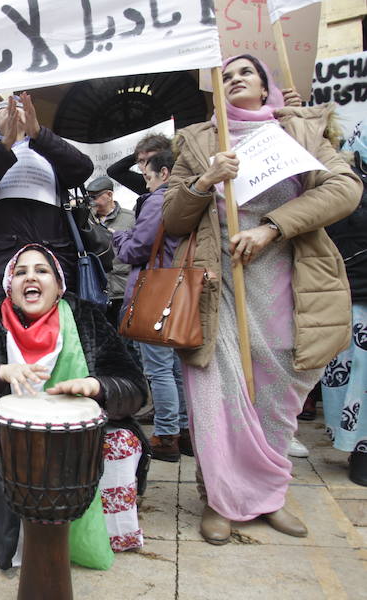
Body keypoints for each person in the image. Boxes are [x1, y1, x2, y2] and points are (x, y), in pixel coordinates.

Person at [163, 54, 362, 545]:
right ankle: (221, 500)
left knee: (277, 395)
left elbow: (345, 188)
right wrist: (204, 181)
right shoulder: (196, 141)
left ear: (265, 84)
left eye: (244, 73)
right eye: (225, 76)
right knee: (216, 396)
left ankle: (269, 496)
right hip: (218, 288)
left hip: (287, 281)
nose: (234, 80)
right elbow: (170, 217)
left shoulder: (299, 129)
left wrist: (274, 227)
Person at [0, 244, 149, 567]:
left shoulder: (85, 316)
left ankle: (106, 531)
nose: (30, 278)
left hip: (79, 437)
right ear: (9, 286)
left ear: (59, 286)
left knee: (124, 442)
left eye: (41, 271)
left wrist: (96, 387)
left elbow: (135, 388)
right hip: (3, 434)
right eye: (20, 272)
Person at [0, 92, 109, 306]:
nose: (13, 111)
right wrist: (6, 145)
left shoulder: (50, 154)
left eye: (18, 107)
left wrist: (38, 134)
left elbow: (82, 169)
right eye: (4, 109)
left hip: (53, 264)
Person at [113, 150, 191, 462]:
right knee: (174, 369)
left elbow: (136, 248)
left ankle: (166, 436)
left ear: (165, 173)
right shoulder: (188, 198)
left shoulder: (159, 200)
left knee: (159, 369)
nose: (145, 184)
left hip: (154, 290)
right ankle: (183, 432)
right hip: (178, 288)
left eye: (148, 177)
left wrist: (119, 238)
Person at [321, 147, 367, 486]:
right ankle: (358, 449)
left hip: (348, 292)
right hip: (349, 295)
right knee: (352, 376)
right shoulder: (340, 187)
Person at [87, 175, 134, 329]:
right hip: (98, 292)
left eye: (95, 197)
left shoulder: (131, 218)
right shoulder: (86, 220)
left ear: (109, 195)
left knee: (129, 342)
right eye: (89, 198)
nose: (91, 202)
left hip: (125, 291)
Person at [106, 133, 172, 197]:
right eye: (142, 161)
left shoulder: (179, 182)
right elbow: (113, 171)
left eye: (152, 159)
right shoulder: (144, 185)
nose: (147, 166)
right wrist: (139, 152)